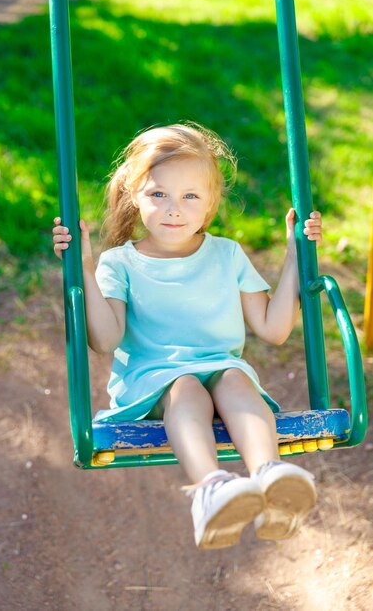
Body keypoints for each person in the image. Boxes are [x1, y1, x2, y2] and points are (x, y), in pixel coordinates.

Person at [52, 122, 322, 550]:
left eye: (190, 196)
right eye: (158, 194)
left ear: (211, 203)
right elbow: (104, 340)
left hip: (220, 368)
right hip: (154, 381)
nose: (173, 209)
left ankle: (271, 479)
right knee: (186, 388)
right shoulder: (119, 263)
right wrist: (83, 268)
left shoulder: (227, 254)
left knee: (235, 379)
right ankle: (211, 490)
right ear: (133, 195)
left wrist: (295, 255)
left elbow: (273, 328)